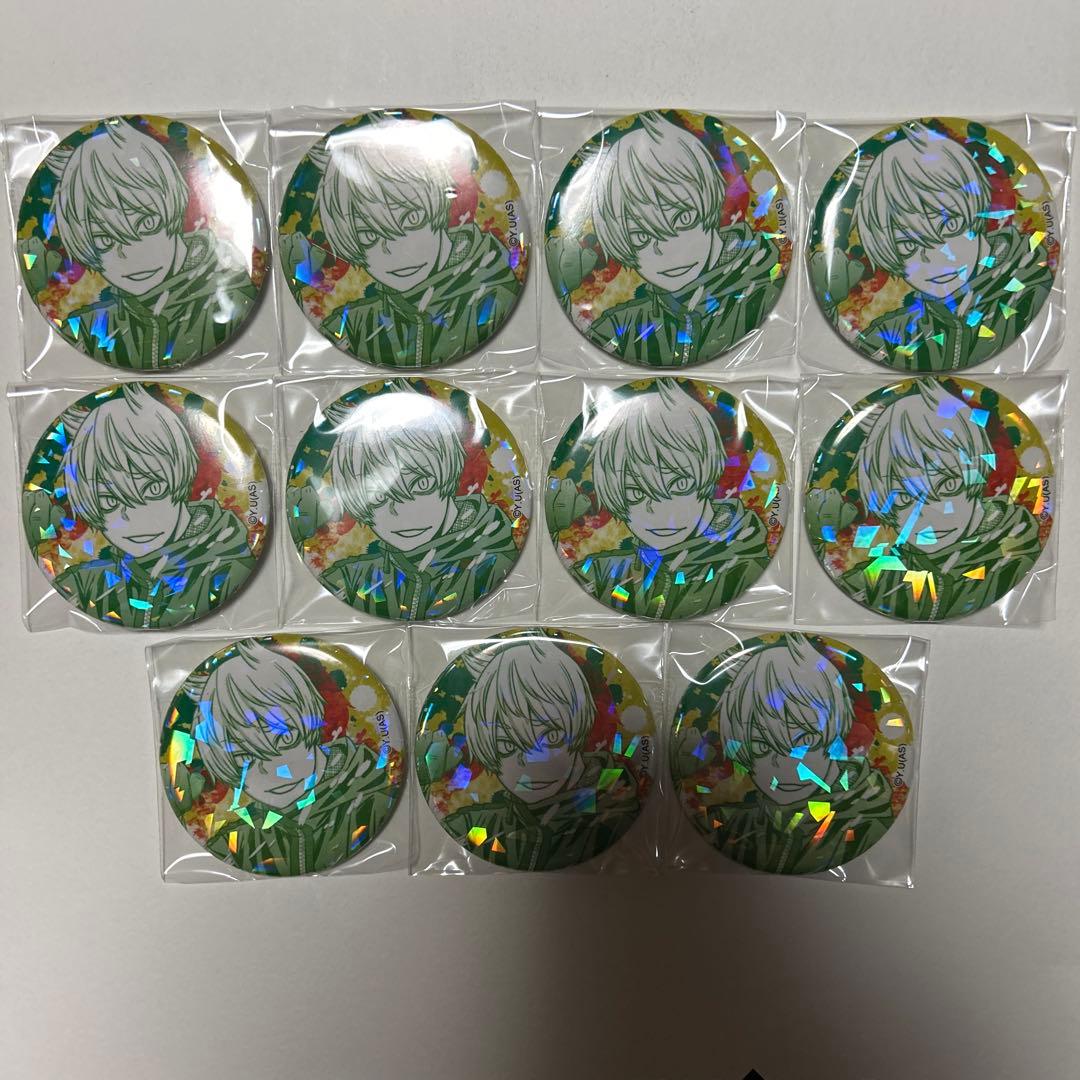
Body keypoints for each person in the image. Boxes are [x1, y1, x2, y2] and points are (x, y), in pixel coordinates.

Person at [40, 117, 258, 368]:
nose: (130, 254)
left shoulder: (234, 294)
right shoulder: (89, 329)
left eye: (146, 224)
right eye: (104, 239)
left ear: (174, 205)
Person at [313, 115, 520, 365]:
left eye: (411, 218)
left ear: (440, 204)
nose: (395, 251)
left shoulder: (494, 300)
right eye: (369, 235)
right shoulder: (353, 326)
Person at [582, 111, 783, 365]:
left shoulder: (765, 294)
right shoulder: (619, 328)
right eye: (641, 236)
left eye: (683, 218)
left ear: (710, 202)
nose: (666, 249)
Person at [48, 383, 255, 628]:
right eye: (110, 500)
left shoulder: (227, 571)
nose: (134, 517)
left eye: (153, 489)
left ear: (182, 474)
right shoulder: (87, 584)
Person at [835, 380, 1041, 620]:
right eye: (903, 498)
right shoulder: (880, 578)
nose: (929, 515)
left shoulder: (1014, 558)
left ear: (976, 474)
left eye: (948, 486)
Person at [853, 121, 1053, 370]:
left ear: (977, 210)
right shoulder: (890, 336)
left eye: (949, 225)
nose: (934, 257)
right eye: (907, 245)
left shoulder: (1032, 294)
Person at [183, 640, 391, 875]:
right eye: (242, 757)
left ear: (310, 717)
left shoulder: (375, 794)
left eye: (284, 736)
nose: (273, 769)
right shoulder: (237, 844)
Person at [695, 633, 894, 874]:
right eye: (762, 746)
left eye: (805, 741)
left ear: (836, 731)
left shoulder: (866, 823)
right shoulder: (731, 825)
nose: (786, 766)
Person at [570, 381, 772, 618]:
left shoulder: (743, 572)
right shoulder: (603, 574)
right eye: (636, 492)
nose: (658, 512)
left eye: (679, 484)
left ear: (708, 474)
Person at [317, 382, 518, 619]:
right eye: (378, 496)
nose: (401, 512)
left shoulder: (493, 567)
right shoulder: (352, 579)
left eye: (421, 484)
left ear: (450, 474)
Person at [441, 638, 640, 870]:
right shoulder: (478, 825)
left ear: (580, 726)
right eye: (507, 745)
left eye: (551, 736)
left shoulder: (611, 816)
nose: (531, 763)